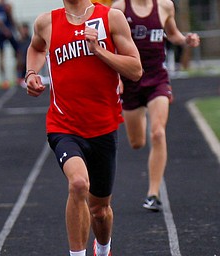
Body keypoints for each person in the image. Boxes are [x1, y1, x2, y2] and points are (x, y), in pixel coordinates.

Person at [26, 1, 142, 255]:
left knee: (100, 211)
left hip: (103, 127)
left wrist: (100, 51)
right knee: (78, 183)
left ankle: (103, 249)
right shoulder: (46, 22)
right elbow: (35, 48)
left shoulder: (111, 18)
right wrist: (31, 73)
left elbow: (136, 70)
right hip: (63, 125)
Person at [112, 0, 200, 211]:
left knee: (158, 133)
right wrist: (117, 76)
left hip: (157, 79)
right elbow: (111, 43)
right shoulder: (119, 9)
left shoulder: (165, 6)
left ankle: (153, 194)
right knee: (137, 142)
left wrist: (186, 39)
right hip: (131, 81)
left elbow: (172, 33)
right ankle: (141, 113)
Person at [0, 0, 19, 87]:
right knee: (1, 55)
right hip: (2, 32)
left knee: (18, 51)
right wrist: (5, 29)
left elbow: (12, 19)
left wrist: (16, 30)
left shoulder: (7, 6)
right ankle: (4, 79)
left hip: (9, 31)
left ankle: (18, 76)